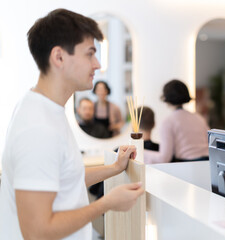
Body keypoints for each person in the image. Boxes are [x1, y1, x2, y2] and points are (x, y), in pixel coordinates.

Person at [0, 9, 144, 240]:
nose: (97, 64)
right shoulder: (38, 128)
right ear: (59, 57)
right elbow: (36, 231)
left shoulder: (47, 110)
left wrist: (115, 168)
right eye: (90, 54)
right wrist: (106, 204)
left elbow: (64, 179)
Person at [144, 79, 209, 164]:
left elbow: (164, 158)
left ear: (166, 98)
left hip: (186, 167)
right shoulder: (199, 118)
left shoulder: (168, 122)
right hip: (207, 164)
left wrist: (142, 152)